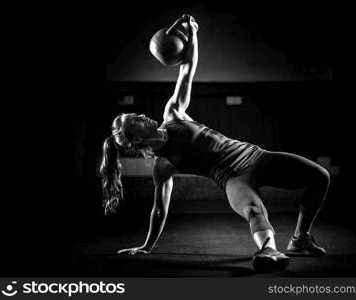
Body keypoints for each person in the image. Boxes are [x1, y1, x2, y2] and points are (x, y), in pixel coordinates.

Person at [100, 15, 330, 272]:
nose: (142, 115)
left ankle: (300, 240)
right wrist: (147, 246)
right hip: (232, 178)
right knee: (254, 210)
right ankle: (268, 249)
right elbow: (159, 210)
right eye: (136, 120)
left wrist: (194, 32)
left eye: (138, 114)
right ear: (137, 139)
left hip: (254, 156)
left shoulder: (173, 113)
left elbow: (187, 68)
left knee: (319, 176)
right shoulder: (163, 166)